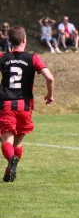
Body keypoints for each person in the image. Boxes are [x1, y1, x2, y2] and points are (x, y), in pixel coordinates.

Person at [0, 26, 54, 182]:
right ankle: (8, 171)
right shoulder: (33, 58)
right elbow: (50, 78)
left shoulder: (3, 57)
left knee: (6, 141)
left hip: (6, 105)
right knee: (17, 144)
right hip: (25, 106)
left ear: (9, 41)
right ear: (25, 40)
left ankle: (10, 160)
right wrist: (49, 96)